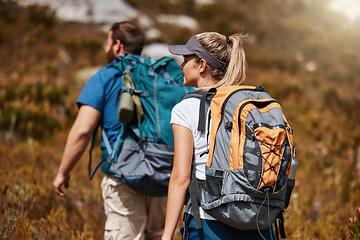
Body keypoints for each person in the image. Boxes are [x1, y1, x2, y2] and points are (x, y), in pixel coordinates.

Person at [53, 21, 166, 240]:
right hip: (162, 173)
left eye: (107, 41)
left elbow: (83, 130)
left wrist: (63, 171)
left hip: (124, 174)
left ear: (117, 45)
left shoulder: (105, 76)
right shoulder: (159, 76)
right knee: (158, 235)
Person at [161, 33, 275, 239]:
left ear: (201, 65)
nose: (180, 67)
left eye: (185, 60)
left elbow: (180, 178)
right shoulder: (248, 104)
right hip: (258, 220)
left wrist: (166, 235)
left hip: (209, 222)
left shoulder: (185, 108)